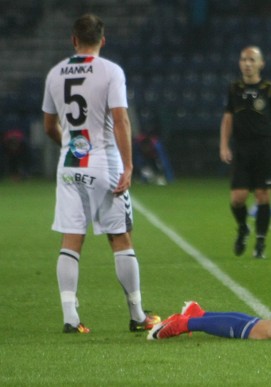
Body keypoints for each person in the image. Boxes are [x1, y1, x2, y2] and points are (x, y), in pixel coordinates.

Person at [42, 14, 159, 333]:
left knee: (71, 239)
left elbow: (49, 126)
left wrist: (69, 145)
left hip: (70, 165)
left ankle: (70, 318)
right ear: (102, 40)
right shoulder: (110, 71)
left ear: (73, 39)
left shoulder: (55, 73)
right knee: (120, 238)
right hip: (105, 163)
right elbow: (121, 120)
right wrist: (130, 165)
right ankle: (137, 316)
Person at [219, 46, 271, 259]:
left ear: (261, 64)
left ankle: (260, 241)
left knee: (263, 195)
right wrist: (224, 145)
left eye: (252, 60)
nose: (247, 63)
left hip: (266, 149)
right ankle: (243, 228)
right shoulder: (234, 89)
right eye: (244, 59)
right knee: (238, 198)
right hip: (242, 149)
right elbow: (227, 118)